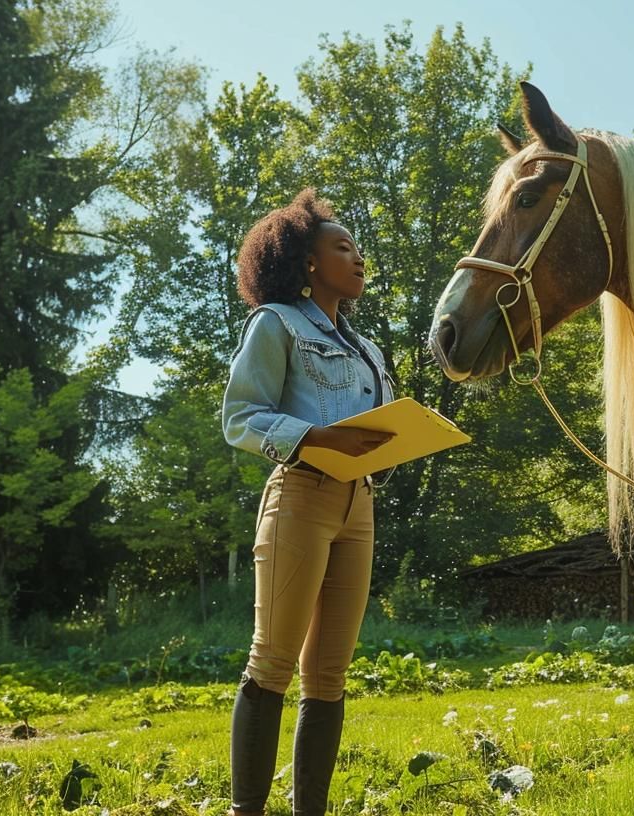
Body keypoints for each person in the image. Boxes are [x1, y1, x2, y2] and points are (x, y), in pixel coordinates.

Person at [221, 188, 395, 816]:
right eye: (342, 247)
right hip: (300, 496)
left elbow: (377, 429)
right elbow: (241, 417)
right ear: (308, 262)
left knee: (329, 676)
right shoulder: (276, 323)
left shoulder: (369, 351)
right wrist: (314, 438)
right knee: (272, 662)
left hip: (360, 506)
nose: (358, 258)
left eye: (358, 249)